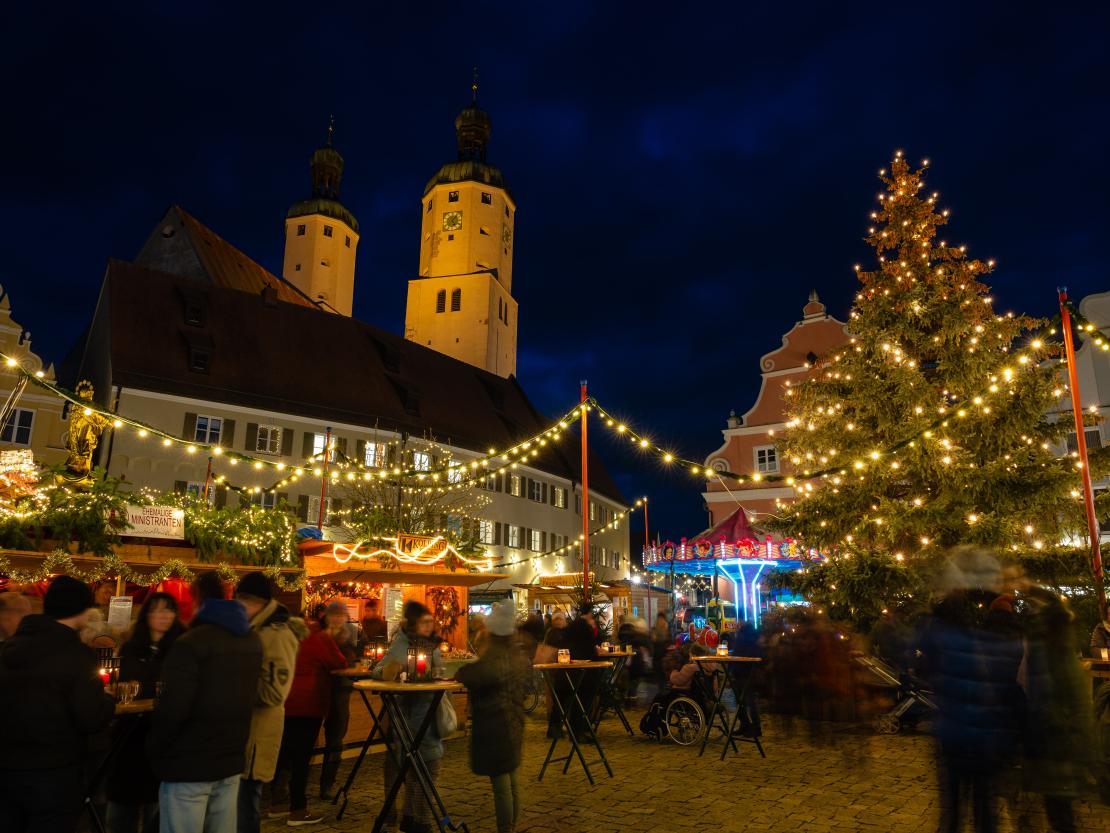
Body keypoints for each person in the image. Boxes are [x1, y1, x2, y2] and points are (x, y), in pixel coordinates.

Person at [918, 547, 1024, 833]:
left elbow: (928, 670)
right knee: (984, 811)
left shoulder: (940, 637)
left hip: (953, 737)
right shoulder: (991, 641)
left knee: (952, 810)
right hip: (986, 739)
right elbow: (1006, 686)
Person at [0, 575, 116, 833]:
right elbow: (91, 717)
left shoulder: (10, 646)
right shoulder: (76, 655)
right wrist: (107, 700)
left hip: (7, 768)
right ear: (81, 609)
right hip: (54, 771)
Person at [149, 571, 262, 833]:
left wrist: (156, 747)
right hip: (231, 758)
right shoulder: (252, 640)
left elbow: (173, 707)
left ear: (196, 599)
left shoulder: (191, 643)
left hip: (189, 762)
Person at [107, 592, 185, 833]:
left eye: (168, 610)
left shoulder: (181, 646)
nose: (163, 616)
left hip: (161, 734)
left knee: (156, 805)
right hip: (129, 734)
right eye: (157, 610)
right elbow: (122, 680)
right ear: (147, 615)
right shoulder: (132, 646)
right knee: (123, 806)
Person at [1020, 585, 1094, 832]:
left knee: (1058, 812)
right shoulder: (1062, 652)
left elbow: (1041, 696)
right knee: (1059, 811)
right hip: (1058, 742)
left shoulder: (1049, 654)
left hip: (1054, 742)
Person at [234, 572, 301, 833]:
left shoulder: (277, 634)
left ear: (262, 602)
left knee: (246, 807)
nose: (242, 606)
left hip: (257, 737)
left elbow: (274, 693)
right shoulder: (252, 629)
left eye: (247, 600)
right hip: (242, 734)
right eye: (239, 599)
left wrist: (233, 684)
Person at [456, 601, 529, 833]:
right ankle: (512, 825)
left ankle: (505, 828)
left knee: (501, 782)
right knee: (510, 776)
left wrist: (461, 670)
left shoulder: (495, 655)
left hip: (497, 723)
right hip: (513, 720)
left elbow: (474, 675)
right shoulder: (515, 651)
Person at [272, 601, 347, 825]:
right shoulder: (319, 636)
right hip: (309, 703)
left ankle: (276, 805)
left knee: (285, 753)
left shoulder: (289, 635)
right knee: (302, 758)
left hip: (286, 700)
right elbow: (338, 662)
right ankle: (298, 810)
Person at [378, 600, 445, 833]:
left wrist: (438, 673)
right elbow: (380, 671)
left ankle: (411, 817)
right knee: (426, 769)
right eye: (424, 622)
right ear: (414, 624)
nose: (429, 626)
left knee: (419, 769)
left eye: (431, 621)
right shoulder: (401, 645)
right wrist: (398, 672)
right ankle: (422, 822)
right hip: (411, 716)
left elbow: (439, 671)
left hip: (428, 714)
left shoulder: (432, 645)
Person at [319, 601, 357, 802]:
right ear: (327, 616)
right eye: (335, 615)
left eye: (341, 615)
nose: (338, 618)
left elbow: (356, 656)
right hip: (318, 690)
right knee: (306, 739)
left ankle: (327, 784)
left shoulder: (351, 634)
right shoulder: (318, 634)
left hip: (341, 691)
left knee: (335, 741)